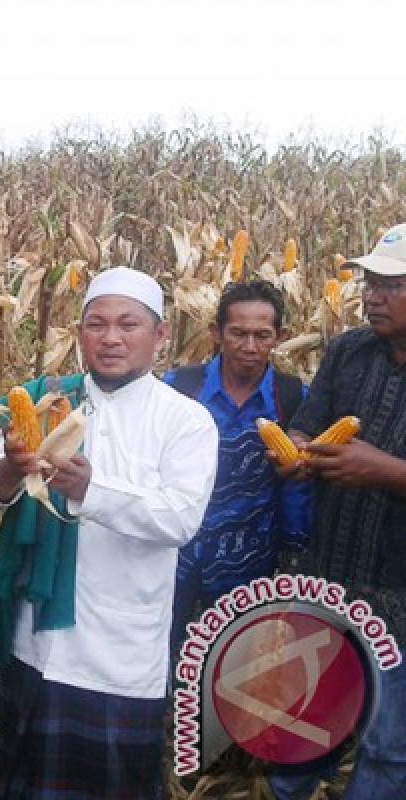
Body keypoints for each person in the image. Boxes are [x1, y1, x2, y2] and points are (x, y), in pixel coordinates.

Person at [0, 266, 218, 799]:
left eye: (128, 325)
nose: (110, 338)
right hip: (32, 643)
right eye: (96, 325)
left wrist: (88, 490)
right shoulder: (41, 397)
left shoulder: (186, 421)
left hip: (118, 655)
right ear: (78, 333)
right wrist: (12, 467)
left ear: (161, 335)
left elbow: (179, 518)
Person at [265, 225, 406, 800]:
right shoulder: (349, 351)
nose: (371, 295)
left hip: (400, 597)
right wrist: (295, 453)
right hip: (331, 579)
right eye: (370, 282)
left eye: (390, 285)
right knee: (307, 717)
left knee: (390, 745)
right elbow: (308, 421)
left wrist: (389, 472)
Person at [165, 280, 311, 638]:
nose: (250, 347)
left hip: (251, 564)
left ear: (281, 336)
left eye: (262, 335)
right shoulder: (179, 388)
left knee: (233, 667)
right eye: (238, 333)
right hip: (173, 558)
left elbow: (298, 484)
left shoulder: (294, 398)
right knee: (161, 659)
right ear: (216, 333)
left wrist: (296, 551)